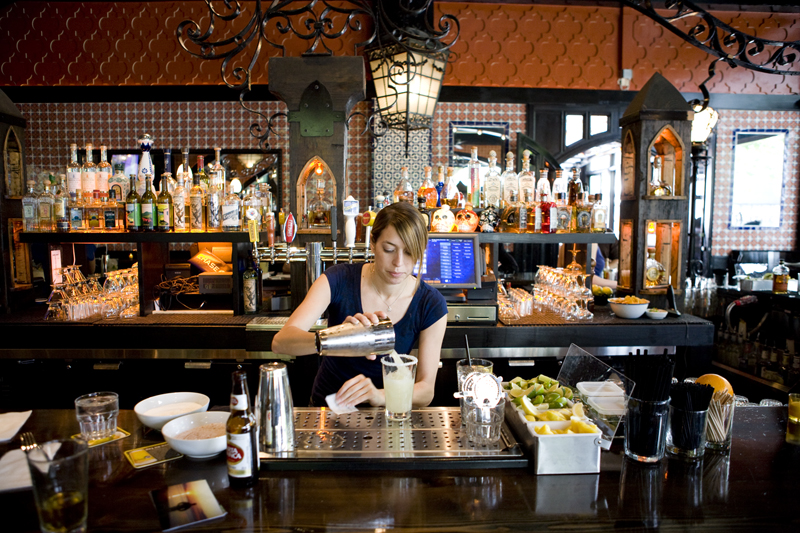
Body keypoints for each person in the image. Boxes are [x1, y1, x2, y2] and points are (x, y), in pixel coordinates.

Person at [272, 202, 449, 408]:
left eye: (409, 253)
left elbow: (426, 390)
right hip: (327, 412)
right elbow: (280, 342)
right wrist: (340, 337)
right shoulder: (338, 279)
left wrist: (378, 395)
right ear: (373, 243)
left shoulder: (431, 303)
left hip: (387, 414)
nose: (399, 262)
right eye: (389, 249)